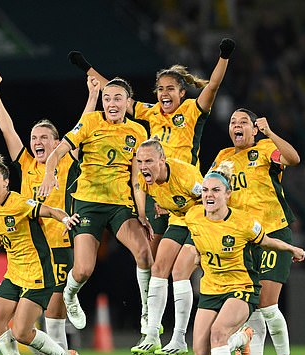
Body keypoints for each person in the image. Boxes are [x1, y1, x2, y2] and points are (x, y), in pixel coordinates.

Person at [68, 38, 234, 257]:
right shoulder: (151, 111)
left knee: (189, 257)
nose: (164, 93)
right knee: (150, 255)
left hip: (185, 189)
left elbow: (212, 86)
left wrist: (224, 56)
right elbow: (117, 95)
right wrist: (87, 68)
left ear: (182, 93)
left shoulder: (192, 110)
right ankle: (148, 293)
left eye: (171, 89)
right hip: (156, 190)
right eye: (160, 89)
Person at [0, 72, 96, 355]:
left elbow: (83, 130)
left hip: (60, 250)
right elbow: (7, 128)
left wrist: (91, 98)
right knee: (15, 327)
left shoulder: (66, 164)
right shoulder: (24, 165)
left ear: (57, 142)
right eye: (34, 136)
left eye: (45, 137)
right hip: (27, 255)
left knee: (52, 320)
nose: (37, 141)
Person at [38, 77, 153, 337]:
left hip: (119, 205)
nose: (111, 103)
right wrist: (49, 173)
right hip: (88, 203)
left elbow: (136, 179)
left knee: (145, 255)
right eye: (107, 98)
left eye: (117, 98)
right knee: (83, 270)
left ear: (127, 102)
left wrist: (143, 214)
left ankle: (148, 312)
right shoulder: (90, 122)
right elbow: (57, 152)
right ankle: (70, 295)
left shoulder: (138, 132)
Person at [185, 162, 305, 355]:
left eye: (216, 190)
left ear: (228, 194)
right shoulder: (193, 216)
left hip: (242, 288)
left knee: (218, 333)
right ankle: (242, 338)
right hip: (210, 289)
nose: (209, 195)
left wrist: (291, 248)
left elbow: (268, 241)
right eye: (206, 190)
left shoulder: (243, 222)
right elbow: (198, 240)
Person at [213, 109, 301, 355]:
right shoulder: (223, 157)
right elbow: (210, 189)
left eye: (243, 123)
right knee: (251, 302)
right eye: (232, 122)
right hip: (246, 238)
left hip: (274, 232)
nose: (236, 126)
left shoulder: (265, 149)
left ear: (254, 129)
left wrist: (271, 133)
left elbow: (293, 159)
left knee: (266, 304)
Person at [0, 154, 79, 355]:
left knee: (23, 332)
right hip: (15, 272)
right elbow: (5, 230)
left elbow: (52, 211)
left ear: (6, 183)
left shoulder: (20, 203)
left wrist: (65, 218)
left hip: (38, 273)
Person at [129, 136, 202, 355]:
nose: (143, 167)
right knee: (158, 268)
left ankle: (179, 339)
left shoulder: (186, 175)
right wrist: (145, 212)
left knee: (180, 271)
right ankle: (152, 334)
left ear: (162, 159)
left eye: (149, 161)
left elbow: (211, 199)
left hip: (200, 221)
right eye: (140, 162)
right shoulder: (145, 179)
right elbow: (140, 188)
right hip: (179, 220)